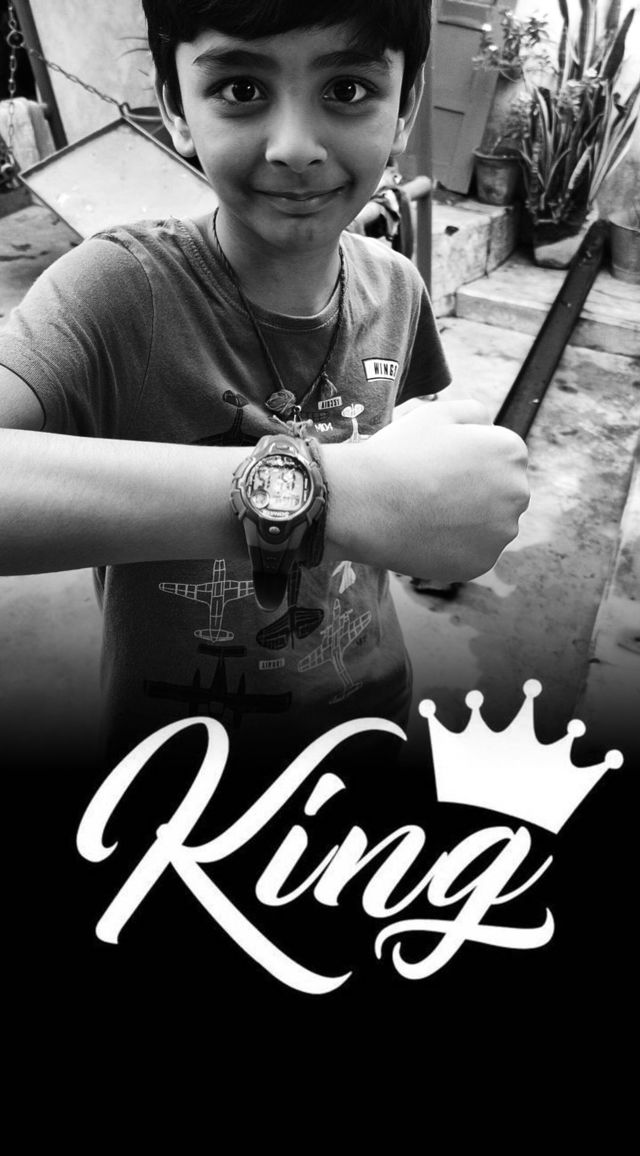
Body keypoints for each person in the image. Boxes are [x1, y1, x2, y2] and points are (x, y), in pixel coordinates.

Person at [0, 0, 529, 780]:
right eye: (241, 89)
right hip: (178, 771)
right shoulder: (114, 294)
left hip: (369, 722)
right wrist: (331, 498)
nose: (295, 147)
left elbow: (413, 473)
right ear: (175, 105)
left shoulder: (397, 288)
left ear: (406, 103)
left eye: (347, 89)